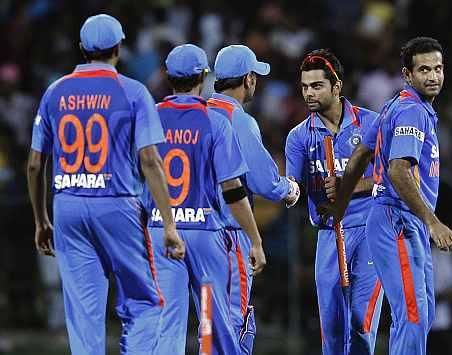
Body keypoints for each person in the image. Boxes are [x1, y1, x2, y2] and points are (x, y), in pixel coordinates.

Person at [26, 14, 185, 355]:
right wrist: (169, 224)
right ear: (118, 47)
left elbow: (35, 164)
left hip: (66, 204)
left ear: (81, 49)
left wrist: (41, 220)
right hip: (117, 202)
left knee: (83, 315)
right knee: (145, 302)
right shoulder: (132, 91)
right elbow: (150, 160)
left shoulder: (55, 91)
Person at [320, 37, 452, 355]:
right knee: (412, 316)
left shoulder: (396, 106)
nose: (433, 76)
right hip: (398, 219)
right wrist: (433, 221)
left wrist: (341, 202)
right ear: (408, 74)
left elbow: (361, 155)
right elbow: (398, 171)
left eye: (438, 68)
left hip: (400, 220)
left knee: (419, 317)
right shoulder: (412, 112)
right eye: (424, 69)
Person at [144, 44, 267, 355]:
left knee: (166, 324)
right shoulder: (215, 121)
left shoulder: (150, 118)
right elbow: (234, 190)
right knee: (213, 324)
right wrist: (254, 239)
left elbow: (137, 178)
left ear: (168, 76)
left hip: (161, 231)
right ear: (204, 75)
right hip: (204, 232)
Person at [285, 49, 383, 355]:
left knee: (361, 322)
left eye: (317, 86)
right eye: (304, 87)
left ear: (336, 87)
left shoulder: (372, 123)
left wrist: (349, 186)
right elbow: (293, 186)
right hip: (328, 235)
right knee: (332, 330)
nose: (309, 93)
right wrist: (281, 190)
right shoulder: (299, 137)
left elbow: (394, 179)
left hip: (369, 231)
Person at [206, 44, 300, 354]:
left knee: (209, 321)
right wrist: (289, 189)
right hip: (230, 233)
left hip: (197, 231)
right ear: (248, 79)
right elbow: (264, 182)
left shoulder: (199, 113)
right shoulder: (239, 120)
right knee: (235, 319)